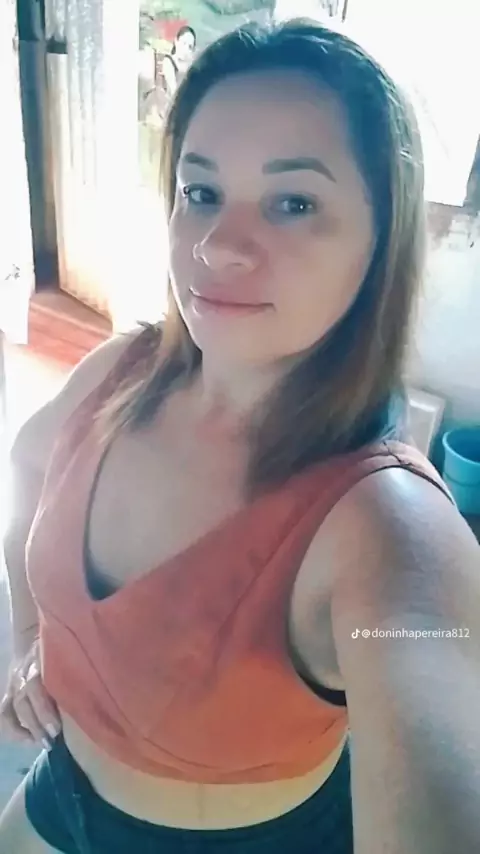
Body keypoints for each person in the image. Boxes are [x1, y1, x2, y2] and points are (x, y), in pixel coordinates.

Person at [1, 17, 479, 854]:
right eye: (201, 192)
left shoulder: (387, 529)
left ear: (381, 242)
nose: (219, 246)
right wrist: (35, 636)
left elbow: (438, 745)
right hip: (61, 786)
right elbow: (29, 468)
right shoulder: (119, 370)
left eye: (294, 203)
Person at [162, 25, 196, 98]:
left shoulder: (191, 66)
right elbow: (174, 91)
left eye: (190, 47)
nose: (186, 49)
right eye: (184, 43)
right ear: (176, 41)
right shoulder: (169, 61)